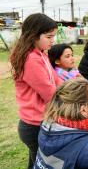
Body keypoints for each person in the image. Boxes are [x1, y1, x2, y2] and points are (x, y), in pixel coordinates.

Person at [10, 13, 62, 169]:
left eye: (53, 36)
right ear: (33, 35)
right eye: (48, 36)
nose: (53, 40)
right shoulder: (30, 59)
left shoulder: (40, 54)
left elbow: (56, 80)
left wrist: (73, 89)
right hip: (34, 125)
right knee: (41, 163)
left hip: (38, 121)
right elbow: (50, 94)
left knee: (36, 162)